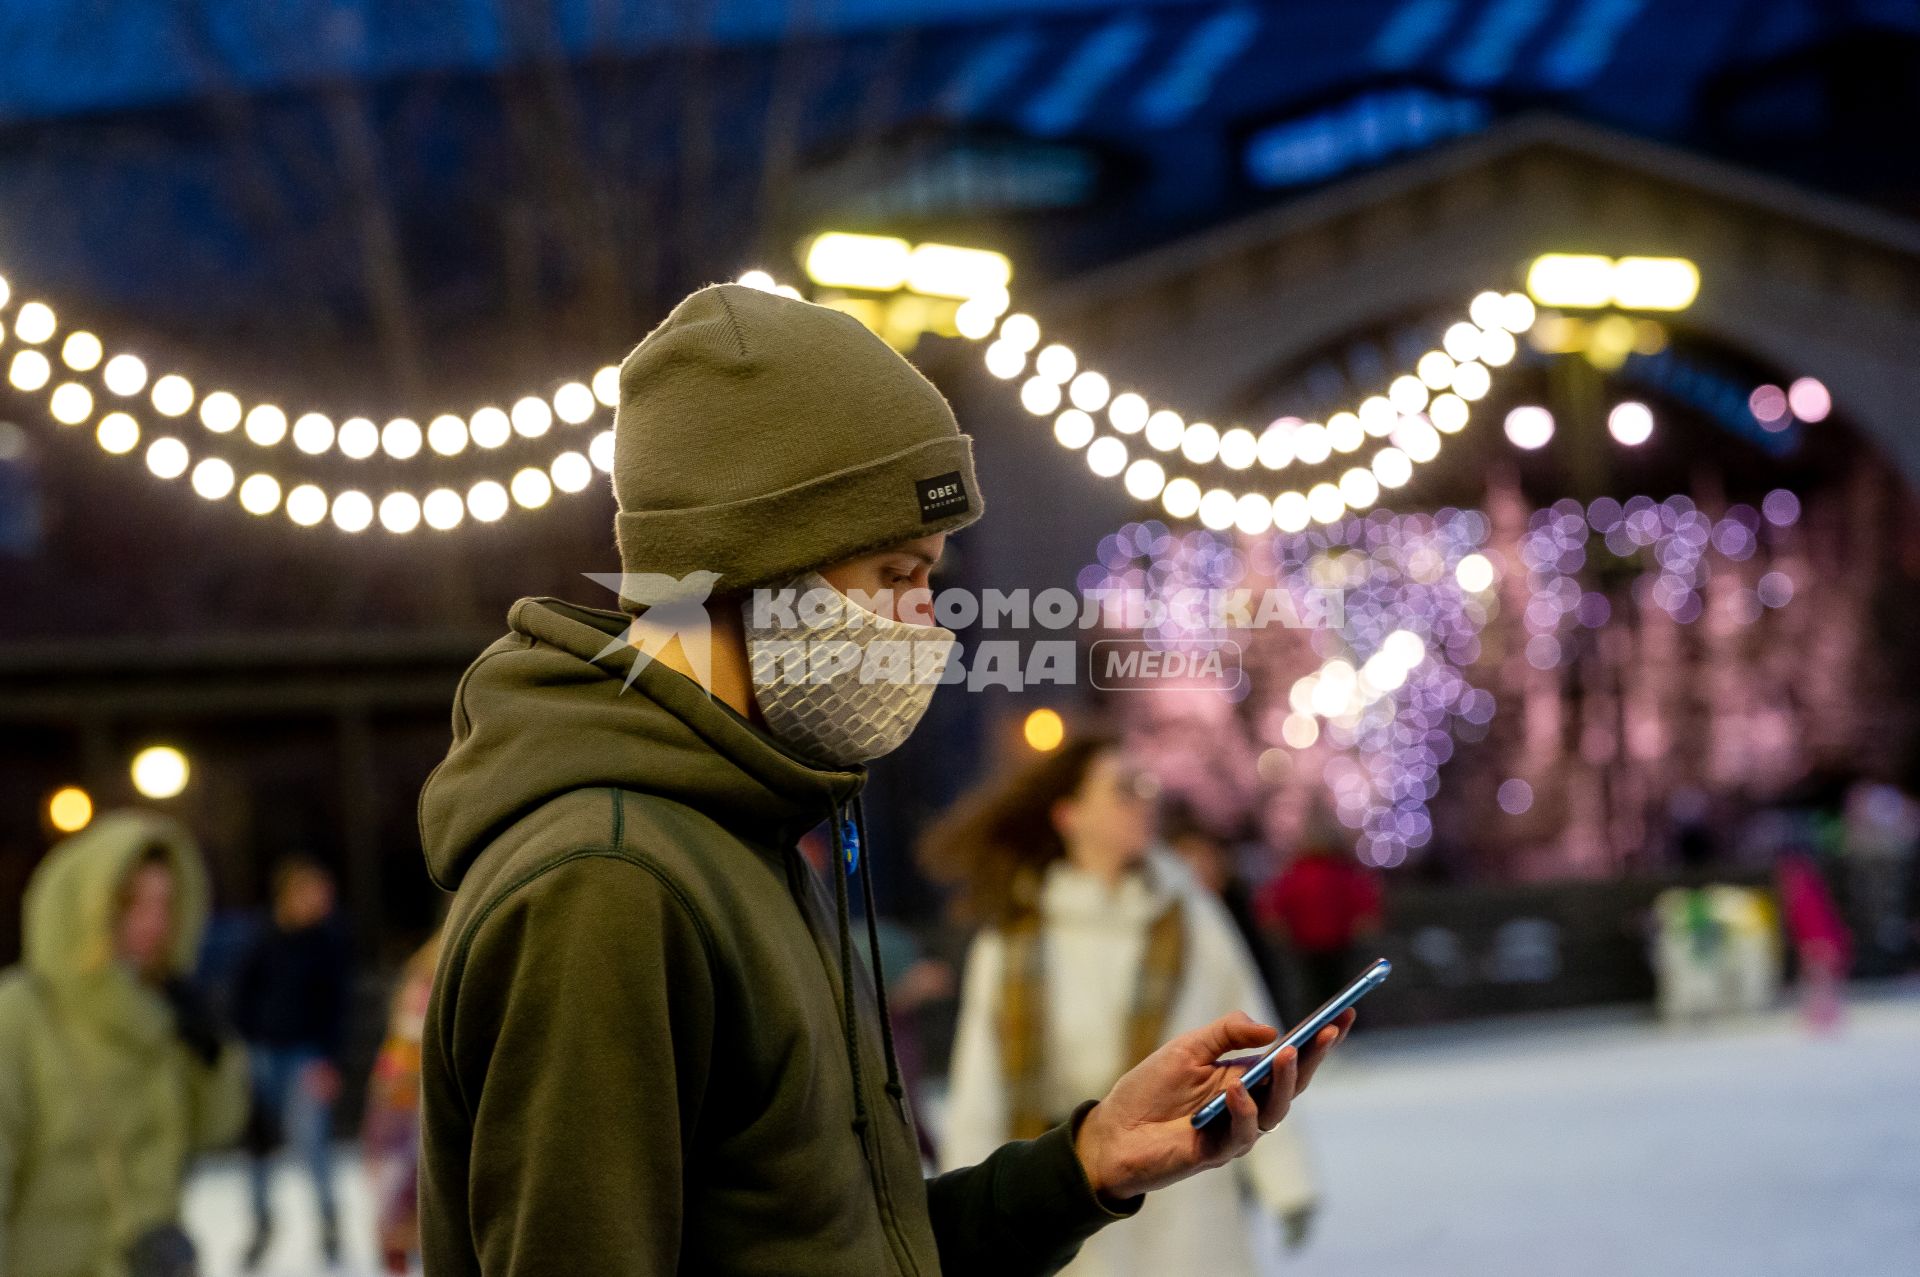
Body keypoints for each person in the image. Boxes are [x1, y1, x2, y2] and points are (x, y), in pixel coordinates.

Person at [416, 284, 1350, 1276]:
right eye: (894, 574)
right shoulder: (607, 883)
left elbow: (840, 1248)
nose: (927, 621)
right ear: (745, 566)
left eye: (930, 579)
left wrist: (1084, 1164)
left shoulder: (743, 834)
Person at [926, 738, 1320, 1277]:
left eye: (1147, 786)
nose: (1144, 801)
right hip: (1068, 1191)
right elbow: (981, 1081)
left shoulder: (1189, 914)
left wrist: (1288, 1180)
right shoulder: (1013, 934)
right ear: (1069, 815)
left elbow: (1252, 1038)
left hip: (1187, 1202)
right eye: (1122, 789)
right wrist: (972, 1220)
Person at [0, 810, 249, 1276]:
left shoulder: (163, 1011)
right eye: (131, 902)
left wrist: (214, 1054)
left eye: (165, 904)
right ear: (85, 906)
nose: (152, 923)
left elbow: (215, 1131)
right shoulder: (21, 1014)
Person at [231, 854, 353, 1270]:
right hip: (263, 1055)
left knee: (312, 1143)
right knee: (259, 1145)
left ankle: (328, 1222)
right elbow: (240, 994)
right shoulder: (263, 938)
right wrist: (245, 1045)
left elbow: (337, 1007)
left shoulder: (328, 943)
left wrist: (328, 1061)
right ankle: (261, 1224)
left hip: (306, 1057)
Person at [363, 927, 443, 1274]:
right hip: (403, 1104)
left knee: (420, 1188)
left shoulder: (428, 988)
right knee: (399, 1189)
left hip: (420, 1104)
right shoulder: (418, 990)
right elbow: (395, 1060)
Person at [1257, 814, 1383, 1011]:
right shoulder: (1339, 871)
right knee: (1336, 992)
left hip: (1326, 945)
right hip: (1321, 945)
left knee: (1323, 992)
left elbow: (1272, 907)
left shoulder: (1302, 872)